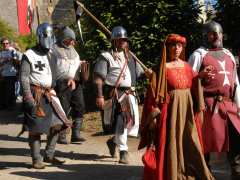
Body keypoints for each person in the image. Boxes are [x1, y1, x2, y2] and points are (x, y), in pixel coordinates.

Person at [139, 34, 214, 180]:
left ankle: (191, 172)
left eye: (180, 46)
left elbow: (194, 83)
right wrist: (154, 116)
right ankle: (172, 173)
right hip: (170, 113)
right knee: (171, 142)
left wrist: (201, 76)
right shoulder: (162, 69)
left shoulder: (187, 66)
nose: (177, 48)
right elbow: (154, 94)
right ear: (167, 48)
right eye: (173, 45)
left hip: (187, 113)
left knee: (191, 141)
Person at [188, 21, 240, 180]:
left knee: (237, 137)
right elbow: (187, 79)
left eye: (219, 33)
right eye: (212, 33)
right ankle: (204, 172)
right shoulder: (199, 54)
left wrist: (239, 105)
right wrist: (200, 76)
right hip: (208, 106)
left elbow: (235, 82)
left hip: (229, 105)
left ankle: (237, 172)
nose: (217, 36)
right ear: (205, 36)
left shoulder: (229, 54)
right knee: (206, 142)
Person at [93, 26, 150, 164]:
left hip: (130, 93)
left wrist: (148, 73)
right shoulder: (106, 57)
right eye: (119, 40)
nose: (123, 42)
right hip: (116, 95)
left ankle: (113, 142)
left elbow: (140, 73)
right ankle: (123, 151)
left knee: (131, 123)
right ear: (114, 41)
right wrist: (100, 96)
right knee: (122, 122)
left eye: (124, 40)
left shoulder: (130, 57)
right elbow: (98, 78)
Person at [20, 22, 71, 169]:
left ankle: (49, 155)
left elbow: (54, 75)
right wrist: (28, 96)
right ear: (40, 37)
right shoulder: (29, 55)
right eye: (46, 36)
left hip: (50, 94)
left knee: (58, 124)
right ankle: (36, 159)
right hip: (35, 94)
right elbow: (24, 77)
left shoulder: (51, 54)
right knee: (35, 129)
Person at [52, 26, 88, 144]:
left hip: (75, 82)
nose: (73, 42)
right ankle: (61, 135)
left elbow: (75, 64)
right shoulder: (54, 50)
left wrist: (81, 64)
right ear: (64, 38)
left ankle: (76, 134)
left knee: (80, 106)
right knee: (63, 108)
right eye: (70, 39)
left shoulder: (74, 51)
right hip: (61, 83)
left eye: (73, 40)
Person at [0, 37, 21, 109]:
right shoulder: (1, 52)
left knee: (11, 90)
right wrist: (3, 61)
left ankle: (11, 105)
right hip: (3, 74)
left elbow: (17, 61)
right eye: (3, 43)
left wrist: (11, 59)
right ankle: (3, 105)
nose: (5, 45)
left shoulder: (13, 51)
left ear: (9, 44)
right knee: (3, 90)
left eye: (7, 43)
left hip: (11, 73)